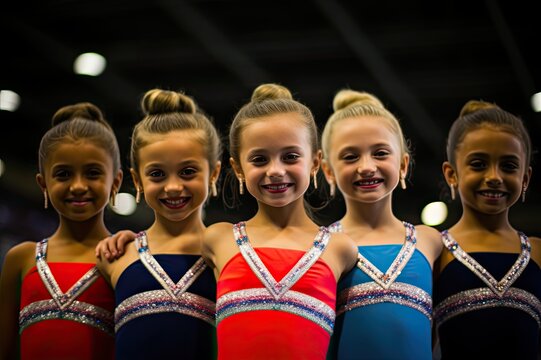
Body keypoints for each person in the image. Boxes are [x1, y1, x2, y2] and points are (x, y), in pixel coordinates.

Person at [202, 83, 358, 360]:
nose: (275, 171)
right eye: (260, 159)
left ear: (314, 162)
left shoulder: (341, 248)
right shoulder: (217, 239)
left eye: (290, 157)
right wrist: (128, 239)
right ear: (238, 167)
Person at [95, 88, 221, 360]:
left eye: (188, 172)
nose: (173, 187)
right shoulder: (116, 256)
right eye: (157, 174)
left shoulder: (229, 254)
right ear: (137, 180)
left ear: (215, 172)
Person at [320, 89, 443, 360]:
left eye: (380, 153)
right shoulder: (318, 246)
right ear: (328, 170)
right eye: (350, 156)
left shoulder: (431, 242)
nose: (366, 166)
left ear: (403, 164)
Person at [0, 102, 123, 360]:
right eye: (64, 174)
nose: (78, 186)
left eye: (92, 173)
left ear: (116, 181)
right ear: (43, 183)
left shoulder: (124, 257)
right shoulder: (21, 259)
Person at [433, 100, 541, 359]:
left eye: (508, 166)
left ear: (525, 178)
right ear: (452, 174)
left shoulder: (538, 252)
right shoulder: (436, 252)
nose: (494, 176)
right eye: (479, 164)